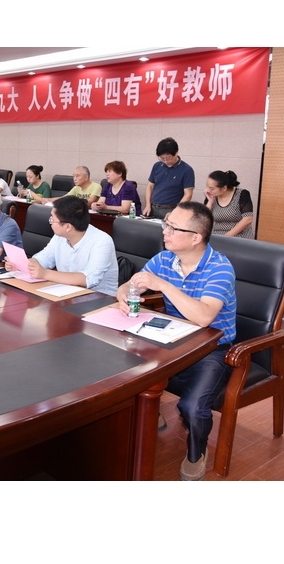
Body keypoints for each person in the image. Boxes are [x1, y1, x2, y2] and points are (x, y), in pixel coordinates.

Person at [116, 201, 236, 481]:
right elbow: (131, 285)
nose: (165, 232)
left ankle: (197, 452)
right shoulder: (163, 259)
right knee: (122, 368)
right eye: (166, 224)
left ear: (196, 237)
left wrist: (162, 285)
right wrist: (125, 294)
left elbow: (204, 317)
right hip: (172, 338)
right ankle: (151, 410)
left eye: (173, 228)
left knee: (191, 407)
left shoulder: (219, 267)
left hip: (213, 347)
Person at [7, 196, 118, 294]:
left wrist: (44, 274)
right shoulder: (60, 236)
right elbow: (44, 258)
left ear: (68, 227)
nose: (50, 222)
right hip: (66, 293)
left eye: (52, 219)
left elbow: (88, 279)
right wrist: (22, 264)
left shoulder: (102, 241)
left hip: (99, 299)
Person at [143, 137, 194, 219]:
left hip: (170, 209)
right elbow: (150, 186)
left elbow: (188, 194)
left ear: (176, 152)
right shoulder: (157, 166)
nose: (165, 161)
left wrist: (175, 211)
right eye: (162, 158)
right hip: (153, 208)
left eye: (168, 157)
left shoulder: (186, 170)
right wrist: (148, 205)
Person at [203, 170, 254, 239]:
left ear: (224, 188)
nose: (208, 190)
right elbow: (204, 219)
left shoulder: (242, 194)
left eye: (212, 188)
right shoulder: (211, 196)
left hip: (239, 237)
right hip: (217, 237)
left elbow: (248, 219)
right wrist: (210, 202)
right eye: (207, 187)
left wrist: (227, 237)